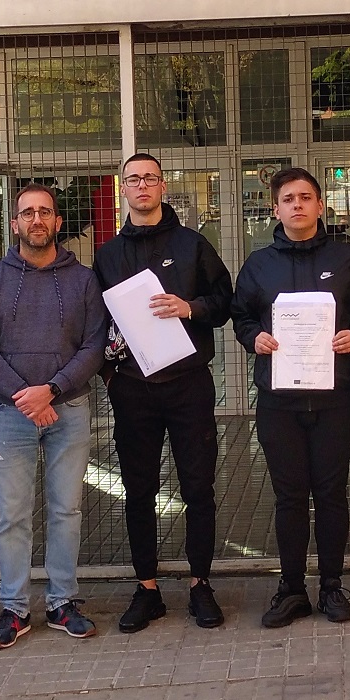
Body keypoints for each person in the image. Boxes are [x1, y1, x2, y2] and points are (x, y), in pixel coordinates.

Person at [94, 154, 234, 633]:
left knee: (198, 487)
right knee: (139, 490)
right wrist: (109, 375)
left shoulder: (193, 245)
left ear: (162, 186)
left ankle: (200, 584)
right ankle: (147, 588)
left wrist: (189, 307)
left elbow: (224, 302)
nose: (142, 186)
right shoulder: (108, 255)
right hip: (133, 388)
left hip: (188, 385)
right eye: (133, 179)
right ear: (124, 189)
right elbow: (96, 322)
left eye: (150, 178)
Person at [232, 167, 350, 626]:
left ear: (320, 205)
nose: (297, 205)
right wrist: (254, 337)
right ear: (275, 209)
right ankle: (292, 588)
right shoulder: (259, 265)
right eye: (288, 199)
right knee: (290, 496)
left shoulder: (348, 260)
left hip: (335, 398)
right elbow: (241, 318)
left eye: (305, 197)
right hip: (279, 401)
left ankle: (332, 586)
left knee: (332, 493)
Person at [0, 184, 107, 648]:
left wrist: (52, 390)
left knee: (66, 510)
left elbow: (94, 345)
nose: (37, 220)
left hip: (68, 408)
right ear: (15, 224)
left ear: (57, 222)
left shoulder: (83, 280)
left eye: (45, 212)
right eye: (27, 212)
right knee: (13, 516)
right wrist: (24, 396)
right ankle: (14, 608)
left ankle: (62, 602)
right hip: (10, 414)